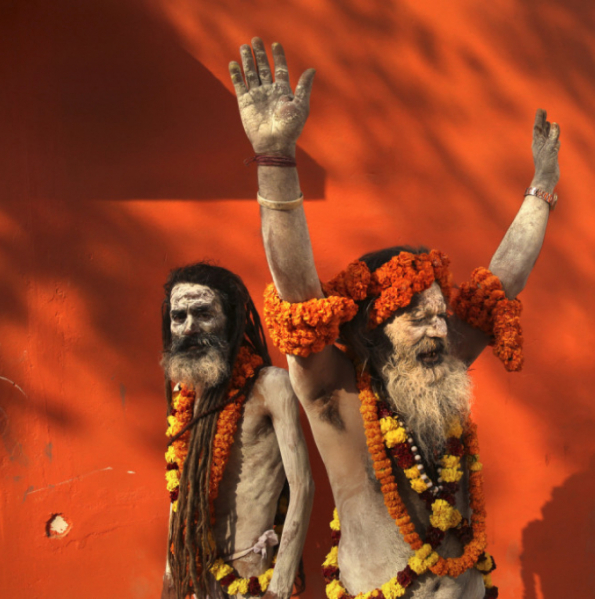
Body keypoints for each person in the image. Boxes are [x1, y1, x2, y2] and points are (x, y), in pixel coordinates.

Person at [230, 37, 560, 598]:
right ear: (372, 332)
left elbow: (503, 281)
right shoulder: (332, 392)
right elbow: (299, 293)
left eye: (440, 315)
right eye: (418, 319)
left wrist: (542, 190)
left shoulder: (439, 364)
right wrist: (275, 159)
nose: (440, 330)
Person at [160, 263, 313, 599]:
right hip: (194, 575)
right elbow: (179, 491)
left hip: (248, 575)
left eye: (203, 313)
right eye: (179, 317)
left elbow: (303, 486)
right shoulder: (184, 394)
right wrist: (170, 571)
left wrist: (280, 587)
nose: (189, 327)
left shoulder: (270, 385)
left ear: (229, 320)